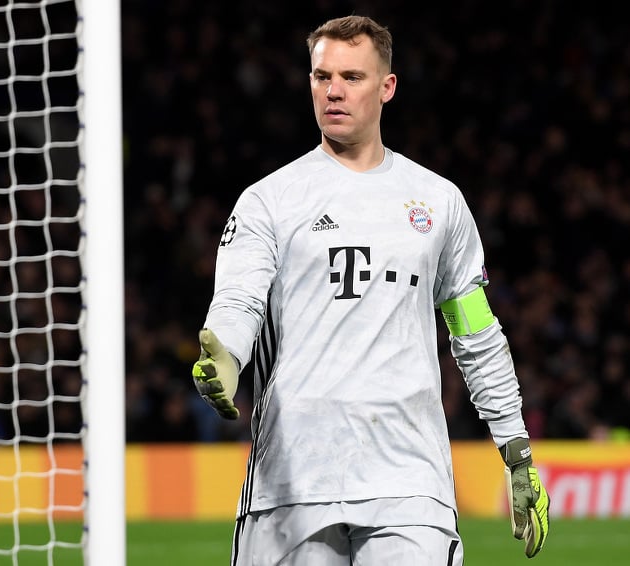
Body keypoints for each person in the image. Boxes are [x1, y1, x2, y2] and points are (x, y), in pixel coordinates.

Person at [191, 15, 550, 565]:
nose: (333, 90)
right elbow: (239, 300)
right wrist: (226, 355)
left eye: (352, 77)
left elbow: (476, 332)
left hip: (410, 485)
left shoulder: (438, 202)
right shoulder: (270, 200)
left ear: (387, 87)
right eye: (321, 76)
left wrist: (517, 450)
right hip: (293, 481)